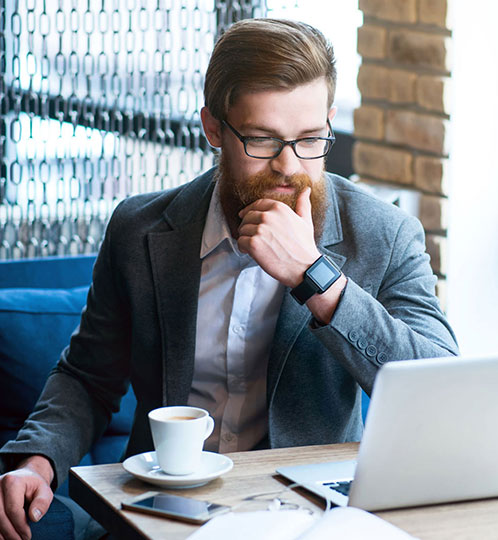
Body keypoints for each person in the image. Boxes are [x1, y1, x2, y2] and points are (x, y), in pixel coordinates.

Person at [0, 18, 458, 540]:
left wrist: (316, 278)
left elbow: (438, 388)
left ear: (329, 121)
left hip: (308, 520)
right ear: (213, 129)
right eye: (262, 139)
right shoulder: (139, 229)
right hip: (162, 515)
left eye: (310, 139)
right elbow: (87, 377)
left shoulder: (384, 234)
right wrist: (37, 461)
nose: (289, 166)